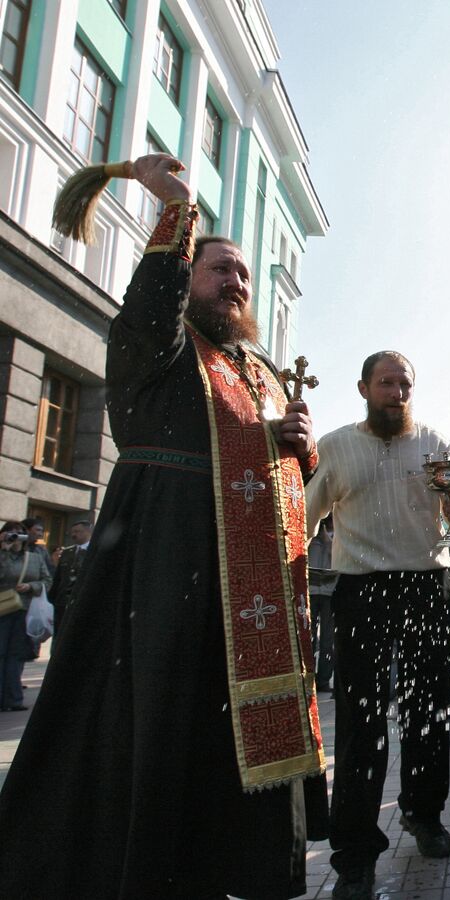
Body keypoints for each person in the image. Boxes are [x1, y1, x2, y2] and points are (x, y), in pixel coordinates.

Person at [0, 153, 327, 899]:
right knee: (155, 740)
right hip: (163, 580)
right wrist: (177, 211)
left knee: (223, 750)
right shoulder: (161, 349)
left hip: (243, 612)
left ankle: (231, 867)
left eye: (243, 274)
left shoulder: (257, 370)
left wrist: (297, 450)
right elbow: (150, 306)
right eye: (220, 269)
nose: (236, 283)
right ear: (183, 275)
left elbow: (272, 487)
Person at [306, 350, 450, 900]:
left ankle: (423, 814)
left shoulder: (434, 444)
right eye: (386, 384)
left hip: (427, 585)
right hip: (361, 591)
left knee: (429, 710)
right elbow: (303, 520)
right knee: (361, 723)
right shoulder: (335, 446)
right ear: (363, 388)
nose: (397, 393)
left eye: (405, 384)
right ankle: (354, 853)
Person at [1, 522, 50, 711]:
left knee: (16, 656)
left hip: (24, 611)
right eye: (10, 533)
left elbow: (47, 580)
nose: (14, 537)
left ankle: (13, 699)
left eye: (19, 533)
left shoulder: (34, 558)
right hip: (2, 612)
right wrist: (4, 551)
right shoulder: (1, 555)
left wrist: (31, 586)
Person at [306, 517, 337, 692]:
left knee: (327, 639)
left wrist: (330, 541)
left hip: (329, 591)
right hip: (311, 591)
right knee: (309, 637)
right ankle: (308, 676)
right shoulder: (311, 537)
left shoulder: (338, 536)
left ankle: (323, 679)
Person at [49, 519, 92, 641]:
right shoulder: (68, 552)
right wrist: (53, 598)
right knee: (59, 635)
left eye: (78, 531)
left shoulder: (94, 552)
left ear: (88, 532)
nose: (74, 534)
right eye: (72, 532)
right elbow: (58, 577)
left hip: (82, 601)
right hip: (62, 602)